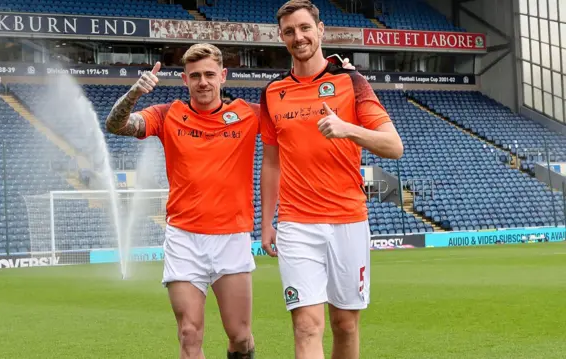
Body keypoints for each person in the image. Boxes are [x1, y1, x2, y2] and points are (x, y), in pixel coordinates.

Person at [258, 1, 404, 358]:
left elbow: (393, 146)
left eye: (305, 28)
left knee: (345, 325)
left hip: (347, 220)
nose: (299, 37)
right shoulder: (272, 93)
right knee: (307, 326)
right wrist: (266, 222)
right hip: (296, 224)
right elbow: (272, 163)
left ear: (320, 31)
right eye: (290, 31)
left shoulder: (350, 82)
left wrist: (347, 129)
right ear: (281, 37)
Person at [105, 43, 258, 359]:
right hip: (184, 239)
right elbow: (115, 125)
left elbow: (297, 117)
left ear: (223, 76)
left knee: (240, 337)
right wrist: (134, 93)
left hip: (232, 236)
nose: (203, 81)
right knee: (189, 334)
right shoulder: (167, 115)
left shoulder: (247, 114)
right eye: (195, 75)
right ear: (185, 80)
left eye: (209, 74)